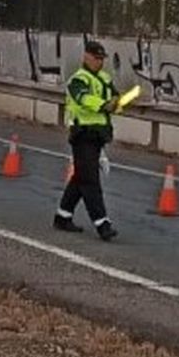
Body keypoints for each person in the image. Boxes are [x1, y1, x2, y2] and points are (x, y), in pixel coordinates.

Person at [54, 41, 120, 241]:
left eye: (101, 59)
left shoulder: (104, 78)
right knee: (90, 180)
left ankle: (62, 216)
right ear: (86, 57)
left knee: (81, 178)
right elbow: (83, 99)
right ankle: (102, 224)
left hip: (98, 135)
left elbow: (114, 97)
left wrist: (118, 103)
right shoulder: (78, 79)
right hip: (82, 134)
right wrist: (104, 105)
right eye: (95, 58)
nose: (99, 62)